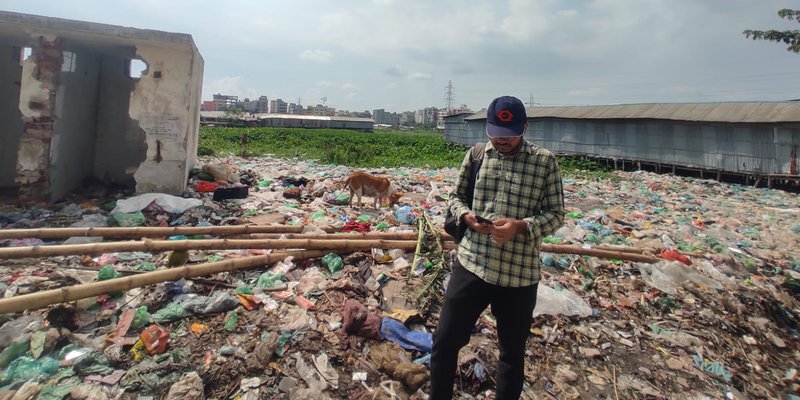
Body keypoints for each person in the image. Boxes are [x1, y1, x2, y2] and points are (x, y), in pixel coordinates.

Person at [430, 96, 565, 399]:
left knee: (511, 355)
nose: (502, 139)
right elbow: (455, 197)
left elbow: (556, 215)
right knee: (445, 340)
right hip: (473, 265)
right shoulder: (477, 155)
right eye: (496, 132)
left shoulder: (545, 162)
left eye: (510, 132)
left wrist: (521, 227)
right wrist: (466, 215)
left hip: (519, 275)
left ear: (525, 127)